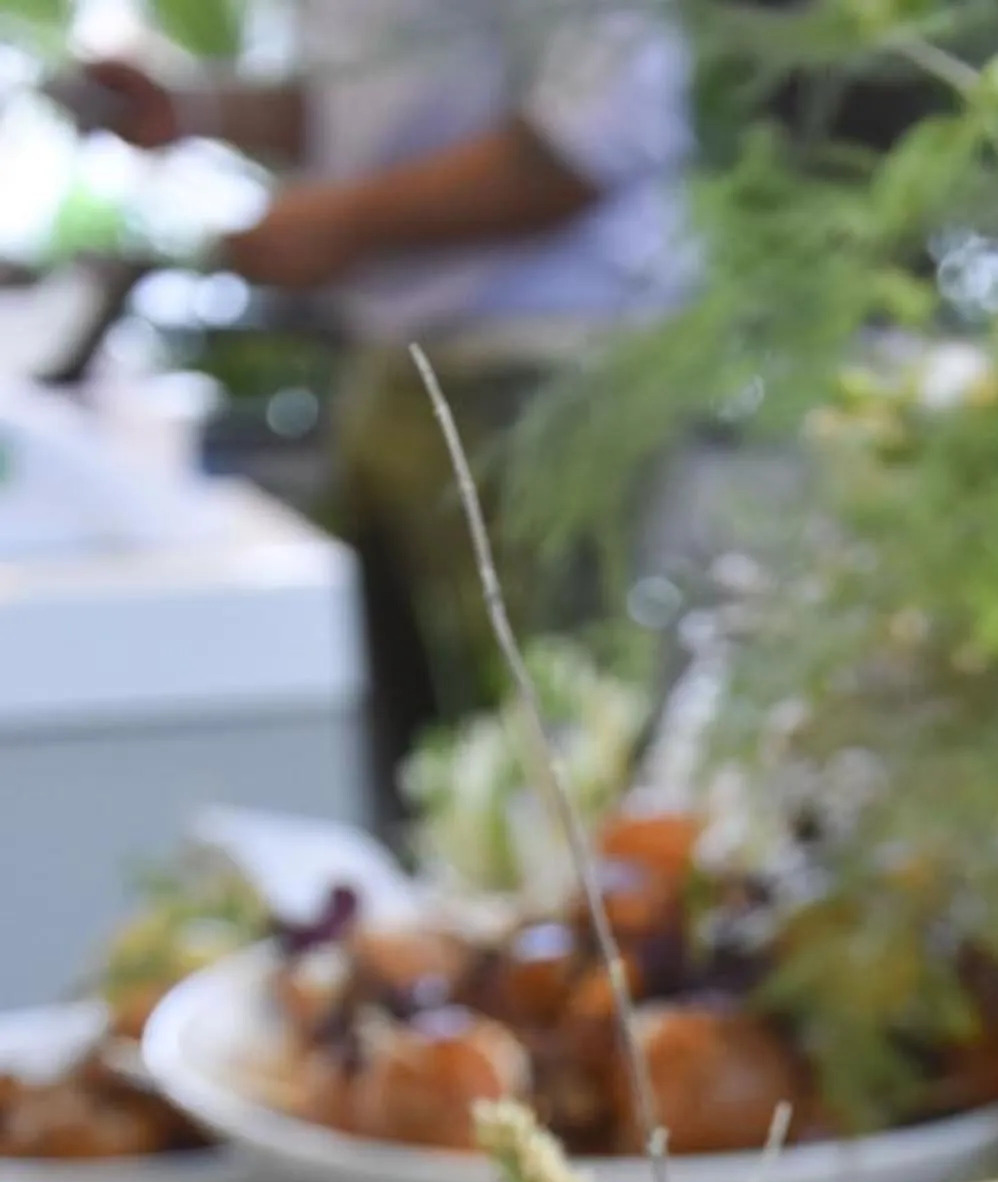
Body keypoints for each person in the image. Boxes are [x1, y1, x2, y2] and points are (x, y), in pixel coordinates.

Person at [74, 1, 692, 805]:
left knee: (564, 760)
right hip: (395, 364)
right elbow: (377, 109)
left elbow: (595, 136)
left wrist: (341, 222)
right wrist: (198, 109)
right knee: (421, 766)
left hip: (542, 374)